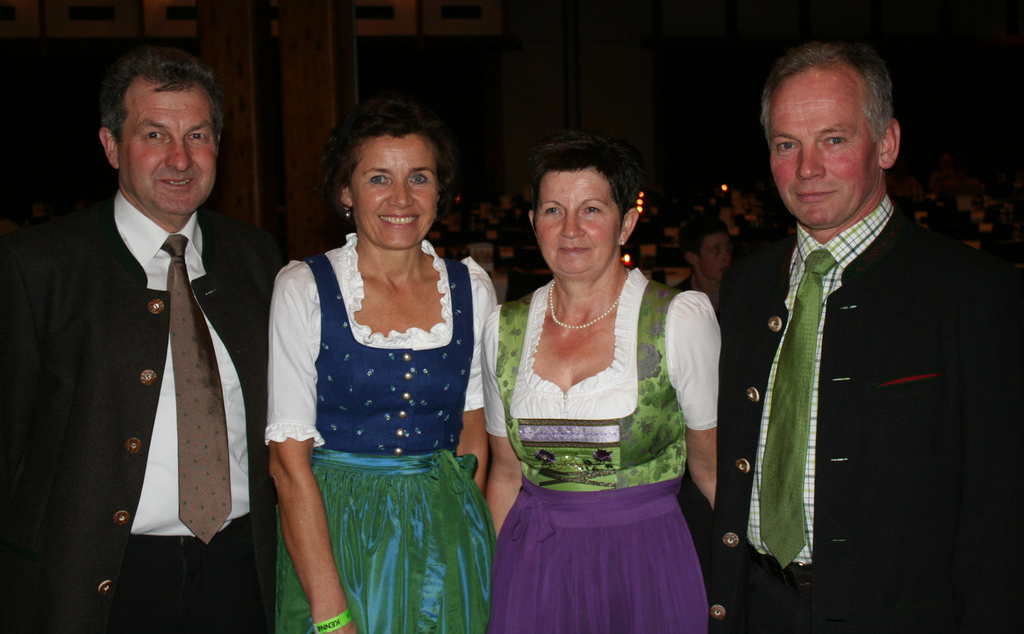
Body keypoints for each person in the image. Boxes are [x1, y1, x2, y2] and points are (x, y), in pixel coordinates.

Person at [708, 41, 1024, 632]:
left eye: (833, 139)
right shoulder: (746, 284)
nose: (807, 168)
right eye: (786, 144)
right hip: (757, 608)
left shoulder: (975, 292)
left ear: (887, 143)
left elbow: (1001, 515)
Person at [0, 45, 282, 632]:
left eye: (197, 136)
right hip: (98, 580)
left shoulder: (257, 258)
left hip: (239, 573)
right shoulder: (36, 266)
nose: (180, 158)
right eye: (155, 135)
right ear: (111, 146)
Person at [267, 94, 496, 634]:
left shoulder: (471, 288)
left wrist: (469, 544)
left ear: (440, 190)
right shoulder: (304, 288)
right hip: (340, 535)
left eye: (419, 178)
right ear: (346, 191)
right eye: (378, 178)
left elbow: (473, 433)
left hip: (448, 538)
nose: (401, 198)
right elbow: (287, 465)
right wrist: (330, 613)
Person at [484, 130, 719, 633]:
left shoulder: (678, 321)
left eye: (591, 209)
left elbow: (711, 470)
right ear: (533, 222)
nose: (570, 229)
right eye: (553, 210)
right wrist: (492, 585)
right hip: (535, 566)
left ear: (626, 223)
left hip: (645, 564)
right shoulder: (503, 329)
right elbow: (504, 476)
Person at [678, 214, 733, 313]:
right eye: (716, 250)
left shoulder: (741, 294)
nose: (727, 257)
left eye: (728, 248)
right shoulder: (679, 302)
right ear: (692, 258)